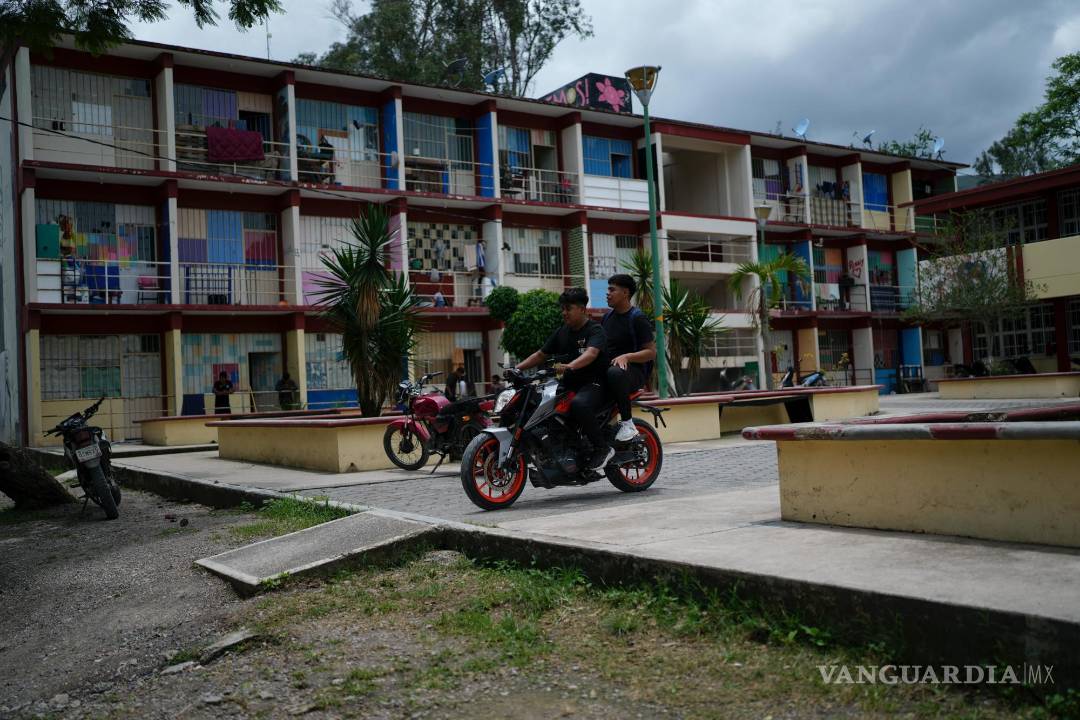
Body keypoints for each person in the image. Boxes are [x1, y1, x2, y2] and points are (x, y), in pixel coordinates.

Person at [513, 287, 612, 470]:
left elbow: (591, 354)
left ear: (582, 309)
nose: (564, 312)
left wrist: (570, 365)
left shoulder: (595, 330)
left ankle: (601, 448)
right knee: (541, 405)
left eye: (568, 308)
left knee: (579, 404)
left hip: (595, 383)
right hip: (569, 384)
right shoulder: (563, 332)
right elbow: (541, 354)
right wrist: (515, 369)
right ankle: (560, 450)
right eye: (563, 309)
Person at [602, 274, 657, 442]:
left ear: (625, 293)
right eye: (608, 289)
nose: (607, 293)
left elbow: (651, 352)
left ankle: (627, 423)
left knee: (615, 373)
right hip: (611, 370)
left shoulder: (637, 318)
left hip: (633, 372)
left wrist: (626, 357)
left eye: (612, 290)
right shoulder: (607, 318)